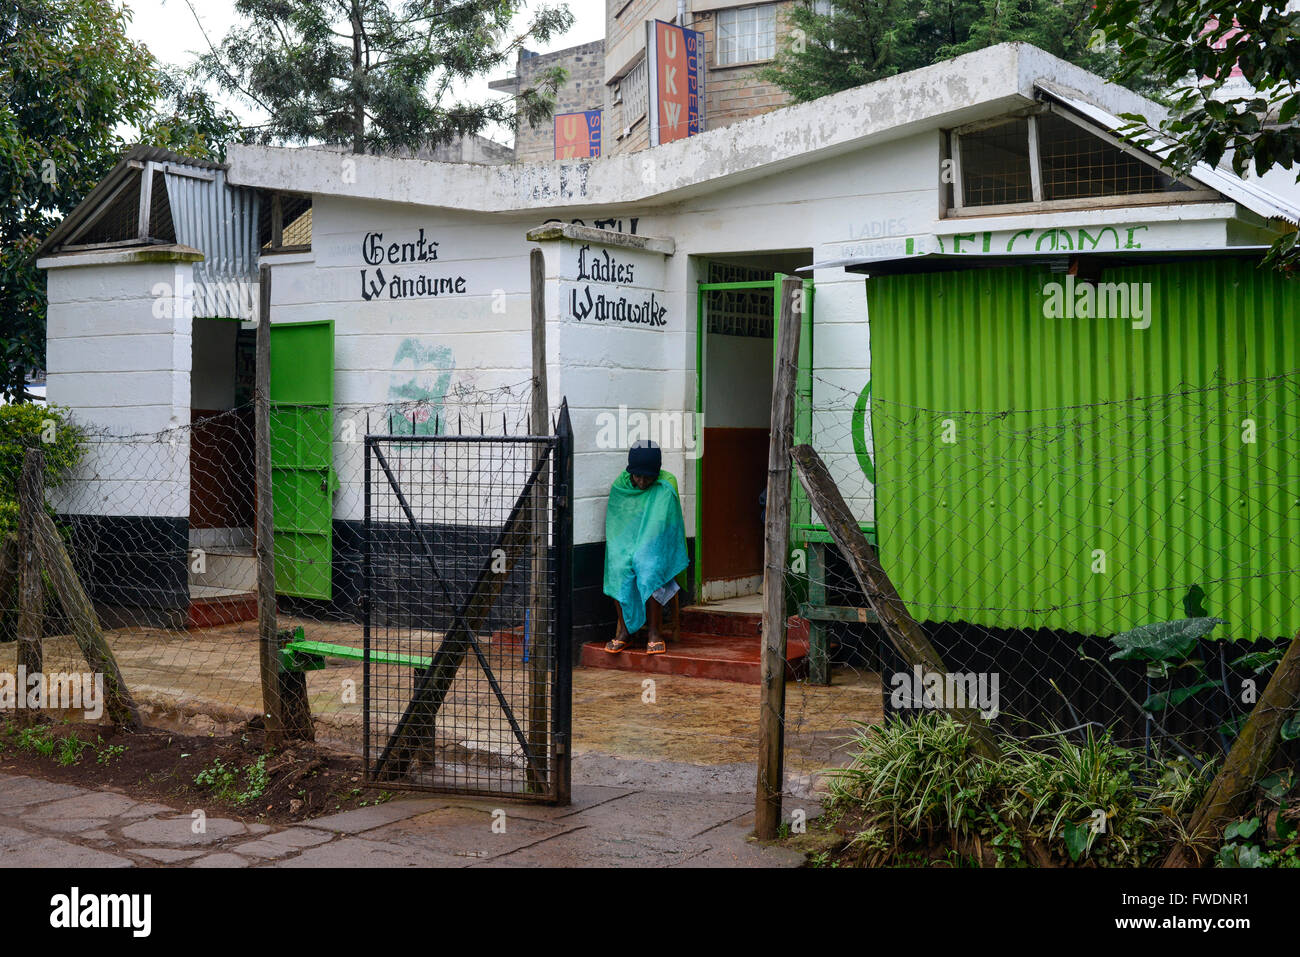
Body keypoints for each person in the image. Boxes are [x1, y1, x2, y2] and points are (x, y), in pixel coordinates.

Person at [602, 440, 688, 655]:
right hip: (626, 544)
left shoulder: (666, 485)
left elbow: (664, 526)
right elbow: (617, 527)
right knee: (617, 568)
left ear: (657, 473)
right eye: (637, 476)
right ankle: (625, 632)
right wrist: (627, 552)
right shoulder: (620, 486)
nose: (642, 481)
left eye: (648, 477)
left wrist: (642, 549)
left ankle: (654, 632)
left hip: (655, 544)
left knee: (648, 567)